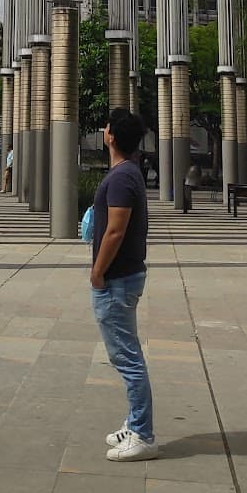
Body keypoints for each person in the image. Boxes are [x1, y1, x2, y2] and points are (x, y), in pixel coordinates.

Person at [90, 107, 157, 461]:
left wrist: (97, 271)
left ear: (112, 136)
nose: (103, 130)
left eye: (107, 127)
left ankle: (143, 434)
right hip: (124, 276)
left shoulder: (121, 178)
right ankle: (134, 424)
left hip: (116, 279)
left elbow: (116, 230)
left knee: (128, 359)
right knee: (125, 355)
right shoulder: (128, 173)